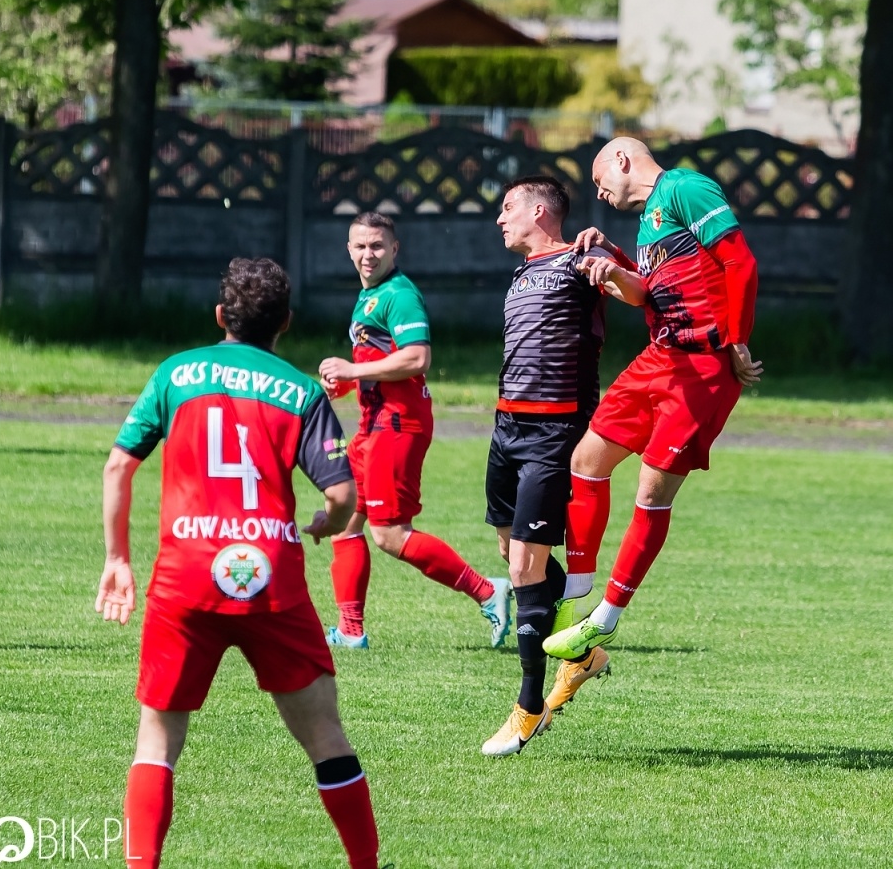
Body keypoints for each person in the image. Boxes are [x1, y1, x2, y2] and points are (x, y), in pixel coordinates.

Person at [95, 258, 382, 869]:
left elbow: (119, 466)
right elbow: (341, 494)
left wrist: (118, 558)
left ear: (221, 316)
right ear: (286, 322)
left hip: (185, 579)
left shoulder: (176, 374)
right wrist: (328, 524)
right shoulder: (300, 390)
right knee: (325, 737)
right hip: (269, 579)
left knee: (158, 741)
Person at [543, 137, 761, 662]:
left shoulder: (685, 187)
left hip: (702, 367)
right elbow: (646, 292)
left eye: (600, 182)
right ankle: (576, 593)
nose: (602, 194)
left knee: (650, 490)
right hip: (659, 358)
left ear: (622, 159)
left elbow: (741, 263)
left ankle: (605, 618)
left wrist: (735, 339)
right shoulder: (647, 227)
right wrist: (610, 261)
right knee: (586, 460)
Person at [318, 212, 510, 649]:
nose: (368, 254)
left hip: (397, 425)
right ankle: (350, 632)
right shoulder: (371, 294)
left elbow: (417, 359)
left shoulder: (400, 296)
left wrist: (351, 368)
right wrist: (347, 381)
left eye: (377, 246)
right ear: (348, 249)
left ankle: (487, 590)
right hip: (373, 423)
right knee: (347, 520)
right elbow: (380, 363)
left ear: (394, 249)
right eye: (360, 246)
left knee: (390, 534)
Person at [479, 177, 615, 756]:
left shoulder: (582, 258)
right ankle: (582, 654)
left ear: (540, 210)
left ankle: (529, 708)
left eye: (507, 208)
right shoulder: (522, 272)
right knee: (512, 557)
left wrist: (609, 253)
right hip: (506, 427)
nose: (499, 219)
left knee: (527, 572)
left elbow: (634, 286)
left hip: (555, 433)